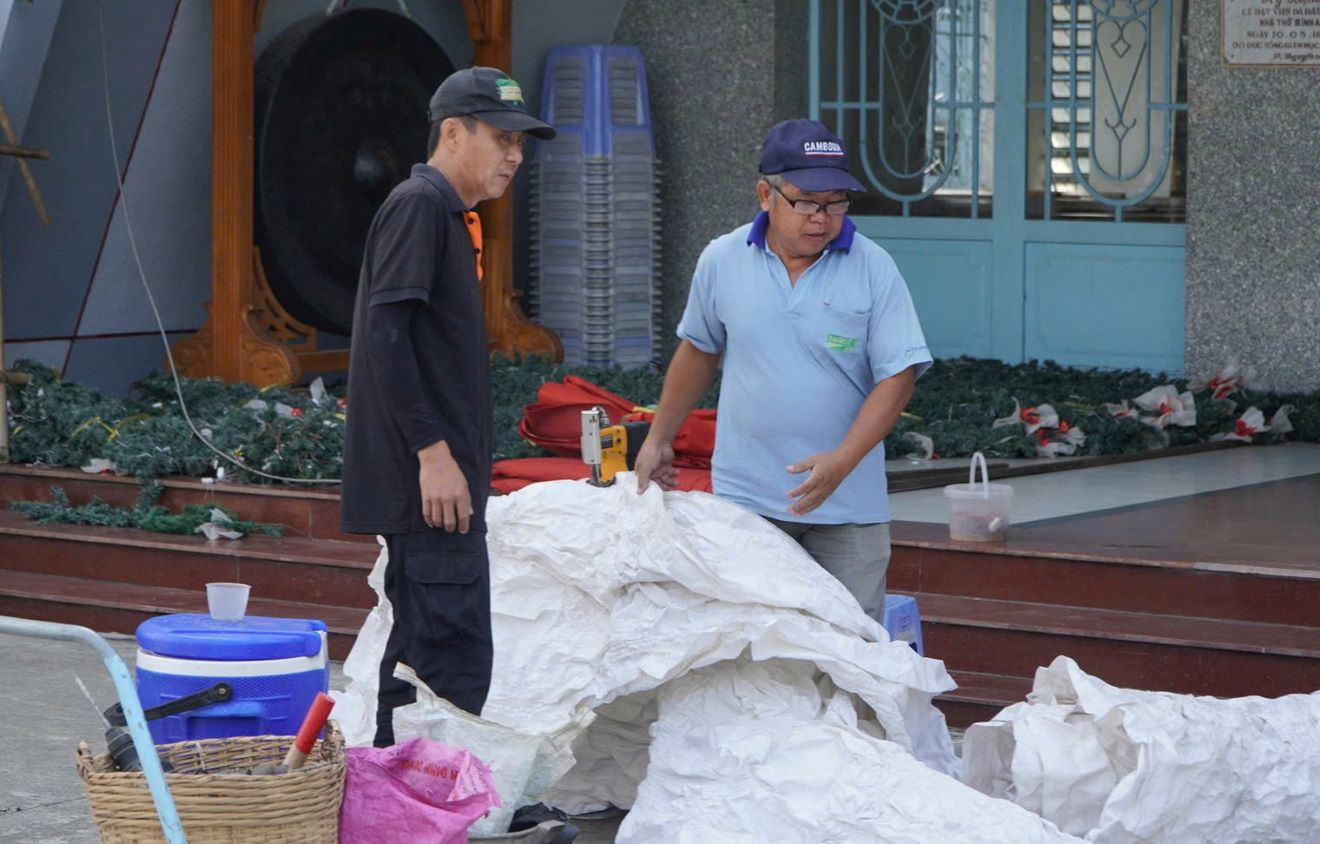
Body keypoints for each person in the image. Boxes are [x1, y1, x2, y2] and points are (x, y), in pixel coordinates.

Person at [634, 118, 931, 624]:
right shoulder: (722, 259)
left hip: (849, 510)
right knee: (750, 655)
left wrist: (842, 460)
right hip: (747, 502)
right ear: (764, 195)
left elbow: (897, 376)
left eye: (836, 202)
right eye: (807, 202)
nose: (822, 218)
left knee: (850, 654)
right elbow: (699, 351)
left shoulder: (873, 267)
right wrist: (659, 436)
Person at [340, 67, 555, 747]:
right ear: (453, 132)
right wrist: (432, 453)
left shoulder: (446, 212)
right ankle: (416, 813)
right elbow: (385, 335)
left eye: (521, 143)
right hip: (430, 490)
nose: (514, 156)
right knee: (447, 668)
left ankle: (398, 810)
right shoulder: (421, 205)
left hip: (439, 488)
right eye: (501, 139)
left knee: (426, 665)